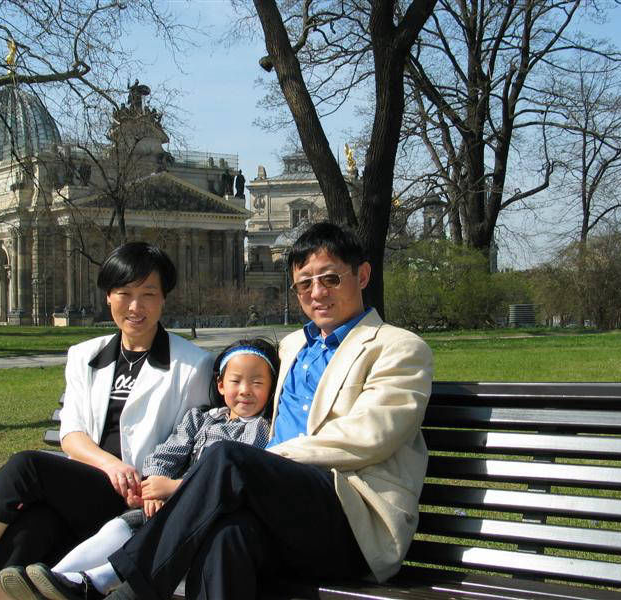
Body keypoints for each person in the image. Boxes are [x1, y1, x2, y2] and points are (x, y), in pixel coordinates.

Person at [106, 222, 434, 600]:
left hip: (351, 520)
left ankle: (128, 590)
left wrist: (267, 460)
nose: (317, 292)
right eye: (304, 284)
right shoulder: (291, 347)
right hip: (279, 514)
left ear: (361, 276)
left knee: (228, 458)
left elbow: (370, 437)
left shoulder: (398, 348)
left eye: (330, 279)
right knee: (226, 537)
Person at [0, 242, 213, 600]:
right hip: (88, 489)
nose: (135, 306)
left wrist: (149, 483)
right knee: (25, 531)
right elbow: (72, 434)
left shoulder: (193, 365)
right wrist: (112, 466)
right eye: (124, 293)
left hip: (138, 503)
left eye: (148, 294)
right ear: (108, 296)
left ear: (163, 299)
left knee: (25, 466)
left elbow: (193, 444)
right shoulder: (85, 355)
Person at [0, 338, 281, 600]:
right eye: (236, 381)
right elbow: (168, 452)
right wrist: (154, 483)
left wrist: (173, 488)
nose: (245, 390)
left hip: (206, 517)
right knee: (122, 525)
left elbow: (234, 478)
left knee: (143, 530)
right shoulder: (201, 418)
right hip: (167, 506)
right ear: (220, 385)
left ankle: (88, 582)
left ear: (271, 389)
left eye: (257, 383)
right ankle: (56, 578)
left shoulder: (261, 429)